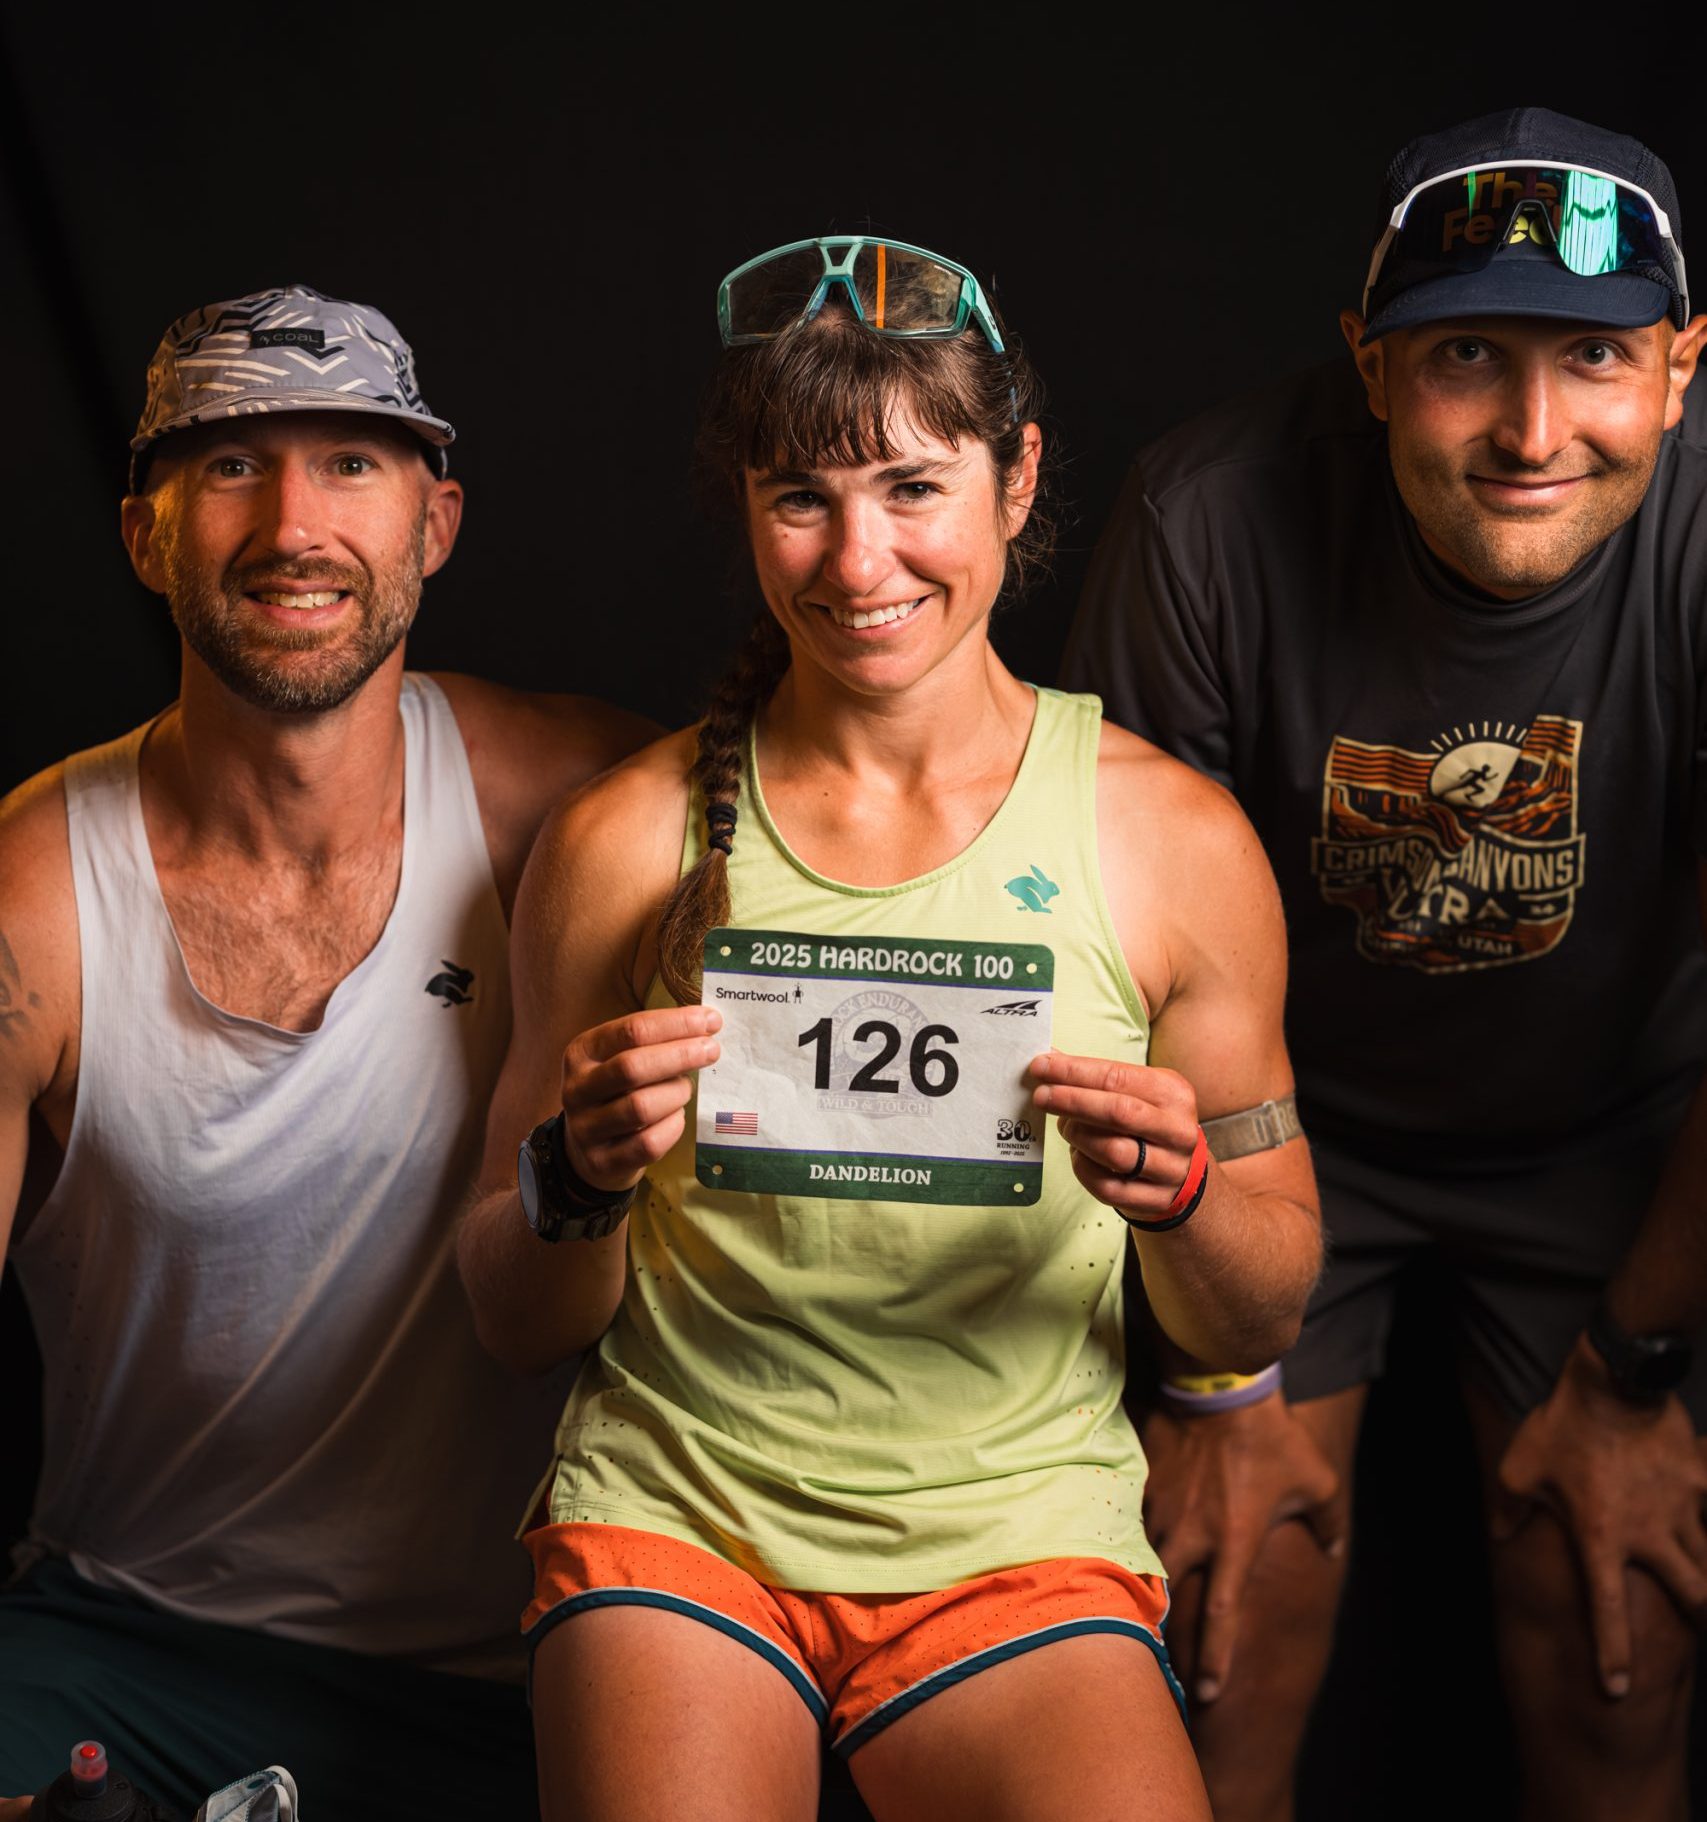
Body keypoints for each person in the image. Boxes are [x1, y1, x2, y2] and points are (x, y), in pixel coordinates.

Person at [456, 234, 1324, 1821]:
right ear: (745, 506)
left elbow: (1260, 1312)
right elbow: (514, 1318)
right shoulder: (621, 845)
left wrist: (1188, 1201)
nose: (859, 564)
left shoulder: (1172, 845)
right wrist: (573, 1173)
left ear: (1018, 476)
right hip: (684, 1514)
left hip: (1018, 1532)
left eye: (915, 488)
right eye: (802, 496)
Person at [1063, 107, 1707, 1822]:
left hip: (1611, 1129)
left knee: (1615, 1630)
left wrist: (1637, 1376)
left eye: (1596, 360)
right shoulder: (1206, 519)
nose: (1532, 429)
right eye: (1466, 357)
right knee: (1216, 1630)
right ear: (1367, 361)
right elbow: (1115, 948)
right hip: (1283, 1124)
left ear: (1685, 365)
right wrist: (1217, 1370)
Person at [0, 283, 655, 1819]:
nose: (293, 523)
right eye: (231, 464)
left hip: (528, 1664)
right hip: (125, 1639)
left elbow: (876, 824)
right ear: (145, 532)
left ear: (436, 524)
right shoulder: (34, 893)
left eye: (351, 464)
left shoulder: (575, 797)